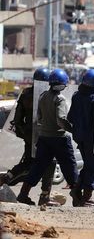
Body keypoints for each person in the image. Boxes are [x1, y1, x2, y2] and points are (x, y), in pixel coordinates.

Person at [16, 68, 79, 206]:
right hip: (59, 138)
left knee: (38, 167)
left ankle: (23, 194)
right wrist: (73, 130)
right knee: (69, 166)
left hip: (44, 138)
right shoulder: (60, 99)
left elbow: (39, 117)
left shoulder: (43, 96)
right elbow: (61, 120)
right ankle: (78, 197)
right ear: (63, 84)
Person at [0, 67, 59, 206]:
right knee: (49, 164)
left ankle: (17, 188)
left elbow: (17, 120)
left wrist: (25, 135)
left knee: (30, 163)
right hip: (46, 136)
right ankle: (44, 196)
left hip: (31, 136)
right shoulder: (47, 95)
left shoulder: (26, 93)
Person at [67, 68, 94, 207]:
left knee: (88, 165)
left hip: (79, 137)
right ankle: (87, 197)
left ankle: (76, 190)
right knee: (93, 167)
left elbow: (70, 117)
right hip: (93, 139)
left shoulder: (76, 96)